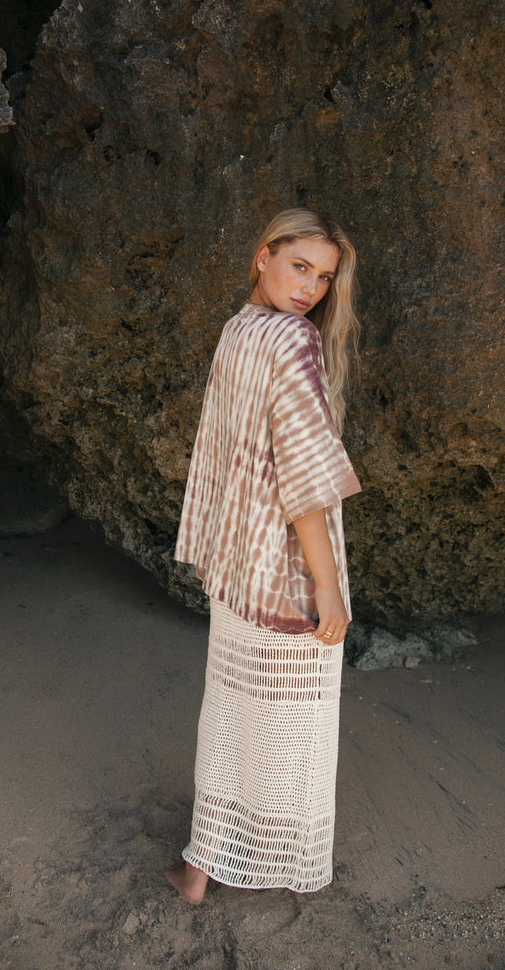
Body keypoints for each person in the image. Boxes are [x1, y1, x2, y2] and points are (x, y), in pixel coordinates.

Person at [165, 208, 362, 903]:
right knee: (290, 719)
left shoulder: (238, 331)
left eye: (323, 277)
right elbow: (303, 483)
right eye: (298, 266)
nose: (309, 287)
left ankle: (199, 865)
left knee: (227, 707)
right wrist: (328, 586)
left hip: (236, 567)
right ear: (262, 256)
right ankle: (278, 858)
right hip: (283, 571)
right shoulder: (289, 340)